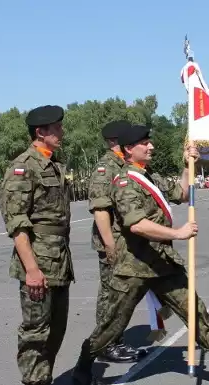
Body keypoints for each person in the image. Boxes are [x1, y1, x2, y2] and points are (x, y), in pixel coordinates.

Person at [71, 123, 209, 385]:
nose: (151, 146)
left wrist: (187, 166)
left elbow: (180, 194)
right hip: (134, 266)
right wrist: (178, 233)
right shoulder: (124, 182)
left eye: (150, 141)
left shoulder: (150, 177)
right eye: (144, 143)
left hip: (162, 262)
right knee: (112, 325)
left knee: (195, 310)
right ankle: (84, 366)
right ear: (128, 149)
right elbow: (137, 225)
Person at [0, 105, 81, 385]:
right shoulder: (23, 167)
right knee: (36, 330)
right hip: (38, 261)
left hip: (59, 259)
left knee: (56, 328)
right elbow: (17, 224)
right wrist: (32, 269)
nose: (61, 133)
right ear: (40, 132)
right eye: (56, 128)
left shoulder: (53, 164)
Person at [87, 120, 148, 363]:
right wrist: (109, 244)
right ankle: (105, 345)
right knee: (110, 295)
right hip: (111, 242)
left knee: (121, 294)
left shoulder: (123, 164)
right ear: (115, 141)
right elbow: (100, 209)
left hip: (126, 241)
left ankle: (114, 339)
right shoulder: (106, 168)